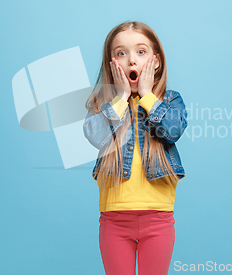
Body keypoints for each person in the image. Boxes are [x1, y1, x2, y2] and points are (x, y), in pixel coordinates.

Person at [83, 21, 188, 275]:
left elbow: (173, 131)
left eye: (140, 52)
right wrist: (120, 98)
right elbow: (95, 136)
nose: (131, 61)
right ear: (111, 64)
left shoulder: (169, 101)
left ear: (156, 61)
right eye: (121, 53)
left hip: (159, 218)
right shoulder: (102, 105)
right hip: (114, 220)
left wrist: (146, 95)